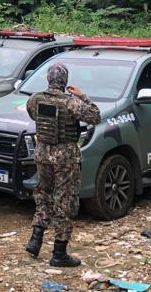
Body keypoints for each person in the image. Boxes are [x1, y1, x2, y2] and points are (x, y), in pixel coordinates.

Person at [23, 63, 101, 267]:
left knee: (43, 195)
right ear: (64, 81)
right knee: (64, 201)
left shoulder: (35, 99)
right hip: (65, 157)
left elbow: (32, 114)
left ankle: (36, 239)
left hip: (42, 154)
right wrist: (83, 96)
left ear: (48, 79)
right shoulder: (70, 103)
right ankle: (59, 253)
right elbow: (95, 116)